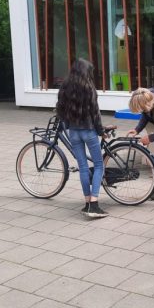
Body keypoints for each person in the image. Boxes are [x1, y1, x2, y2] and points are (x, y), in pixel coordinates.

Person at [55, 59, 108, 219]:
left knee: (83, 167)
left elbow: (60, 109)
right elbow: (95, 113)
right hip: (89, 131)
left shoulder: (65, 87)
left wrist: (67, 124)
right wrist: (101, 132)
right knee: (99, 165)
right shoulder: (89, 88)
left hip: (74, 132)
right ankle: (94, 203)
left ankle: (86, 203)